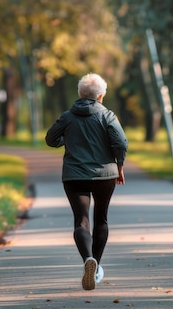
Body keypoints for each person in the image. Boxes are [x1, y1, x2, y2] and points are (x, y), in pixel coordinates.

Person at [45, 73, 128, 291]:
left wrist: (67, 140)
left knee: (81, 220)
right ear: (101, 96)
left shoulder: (67, 116)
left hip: (74, 176)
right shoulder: (108, 116)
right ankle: (96, 265)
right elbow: (120, 142)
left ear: (80, 94)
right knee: (101, 219)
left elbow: (50, 139)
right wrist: (119, 166)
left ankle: (87, 260)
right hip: (105, 176)